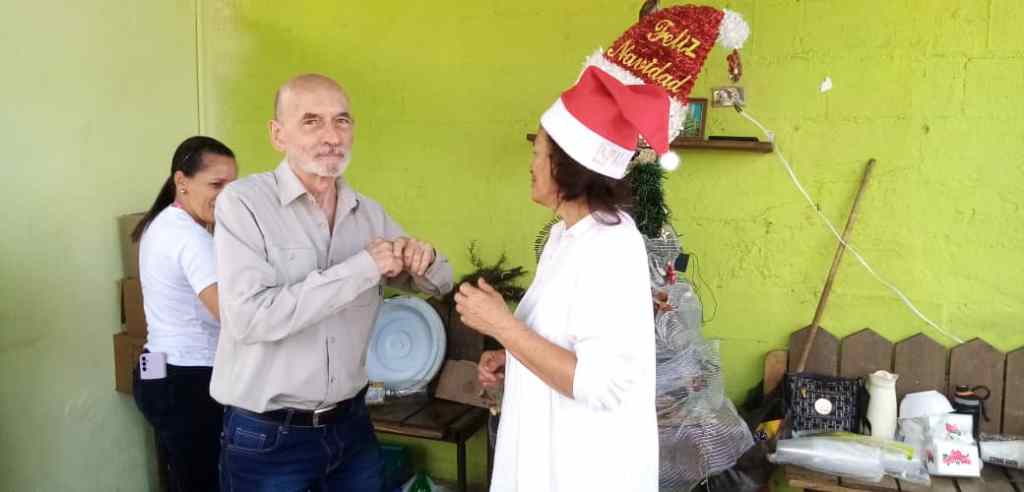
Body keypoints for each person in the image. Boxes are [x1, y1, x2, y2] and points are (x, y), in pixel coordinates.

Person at [211, 73, 453, 491]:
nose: (331, 136)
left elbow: (441, 283)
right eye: (311, 121)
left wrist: (424, 259)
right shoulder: (243, 204)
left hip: (351, 427)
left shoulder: (368, 213)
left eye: (342, 121)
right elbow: (249, 318)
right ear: (278, 134)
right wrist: (363, 267)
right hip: (268, 436)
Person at [454, 66, 660, 491]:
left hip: (582, 471)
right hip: (545, 457)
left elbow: (598, 384)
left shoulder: (611, 246)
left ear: (566, 166)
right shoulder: (565, 235)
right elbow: (566, 339)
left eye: (538, 152)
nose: (531, 164)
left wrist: (502, 326)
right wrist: (512, 356)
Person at [131, 135, 239, 491]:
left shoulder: (161, 223)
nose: (227, 196)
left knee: (185, 476)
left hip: (156, 368)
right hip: (189, 381)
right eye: (216, 185)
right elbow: (233, 316)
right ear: (182, 181)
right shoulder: (191, 239)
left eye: (233, 186)